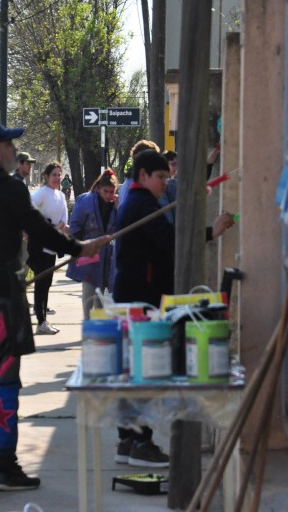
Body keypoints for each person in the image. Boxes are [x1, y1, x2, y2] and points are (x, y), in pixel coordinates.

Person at [0, 120, 108, 492]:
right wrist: (80, 248)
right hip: (0, 300)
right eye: (8, 145)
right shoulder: (9, 188)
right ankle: (4, 466)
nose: (14, 151)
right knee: (5, 381)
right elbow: (37, 227)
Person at [113, 149, 234, 467]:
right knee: (143, 370)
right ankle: (140, 442)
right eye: (161, 177)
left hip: (138, 295)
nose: (166, 182)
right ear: (143, 176)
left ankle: (128, 437)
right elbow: (170, 240)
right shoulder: (141, 204)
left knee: (134, 368)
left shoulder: (144, 201)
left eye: (167, 176)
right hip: (142, 298)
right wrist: (211, 232)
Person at [66, 169, 119, 319]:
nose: (109, 195)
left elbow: (121, 226)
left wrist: (118, 207)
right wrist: (77, 247)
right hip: (89, 250)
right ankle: (88, 322)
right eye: (106, 191)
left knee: (101, 292)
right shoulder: (86, 201)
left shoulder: (115, 204)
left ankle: (98, 325)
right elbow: (76, 225)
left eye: (112, 192)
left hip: (107, 254)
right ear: (98, 188)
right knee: (89, 291)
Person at [28, 162, 67, 335]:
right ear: (46, 176)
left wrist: (62, 226)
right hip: (40, 246)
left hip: (52, 246)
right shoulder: (42, 193)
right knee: (41, 282)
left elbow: (64, 217)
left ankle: (43, 317)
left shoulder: (60, 195)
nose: (57, 178)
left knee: (47, 283)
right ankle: (40, 320)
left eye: (59, 174)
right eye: (54, 175)